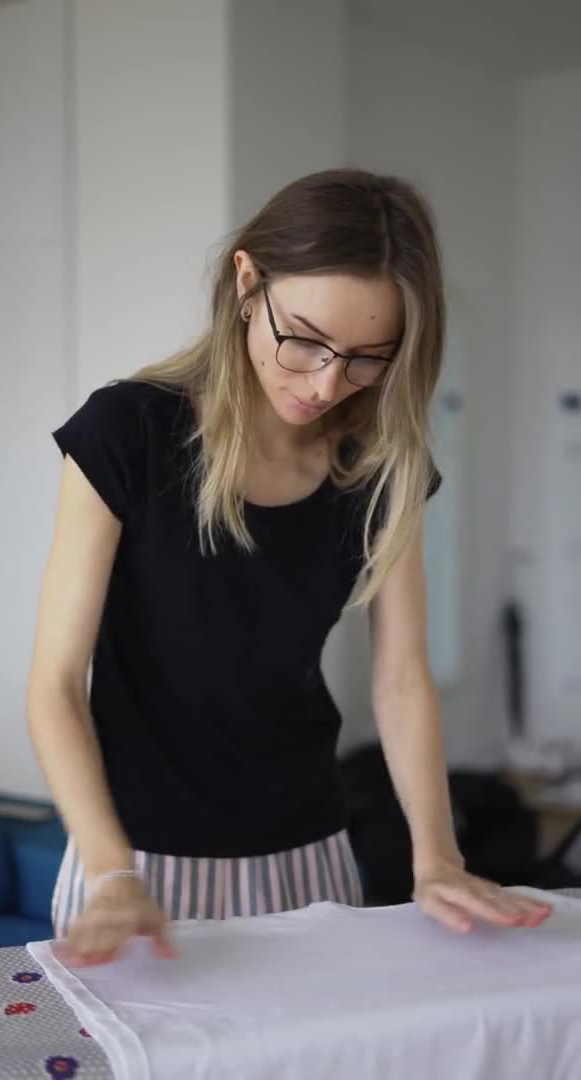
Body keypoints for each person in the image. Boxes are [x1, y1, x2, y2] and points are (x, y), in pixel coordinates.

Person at [27, 168, 551, 967]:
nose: (326, 383)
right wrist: (108, 869)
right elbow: (56, 684)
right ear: (247, 281)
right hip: (131, 866)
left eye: (369, 358)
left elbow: (402, 677)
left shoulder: (380, 467)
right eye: (304, 338)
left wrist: (436, 857)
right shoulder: (125, 433)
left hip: (308, 849)